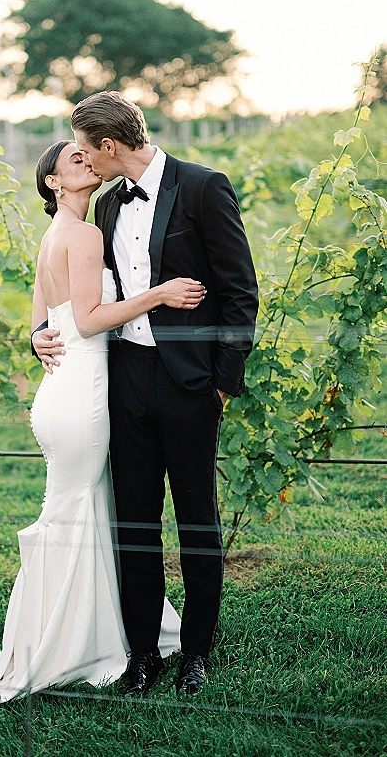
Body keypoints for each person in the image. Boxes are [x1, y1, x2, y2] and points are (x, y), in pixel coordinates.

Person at [0, 140, 206, 705]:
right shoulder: (84, 234)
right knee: (79, 512)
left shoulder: (54, 234)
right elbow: (89, 318)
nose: (88, 161)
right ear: (53, 183)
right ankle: (66, 643)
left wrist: (37, 338)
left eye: (87, 155)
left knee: (78, 512)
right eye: (74, 160)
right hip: (82, 394)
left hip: (60, 390)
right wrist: (160, 294)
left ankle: (83, 631)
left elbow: (42, 311)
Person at [33, 92, 258, 696]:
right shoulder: (105, 205)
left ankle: (196, 652)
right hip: (123, 379)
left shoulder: (203, 187)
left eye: (87, 150)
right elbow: (72, 292)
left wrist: (222, 383)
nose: (83, 159)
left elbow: (240, 290)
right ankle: (142, 655)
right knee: (133, 521)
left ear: (109, 147)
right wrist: (40, 333)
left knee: (197, 520)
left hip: (191, 383)